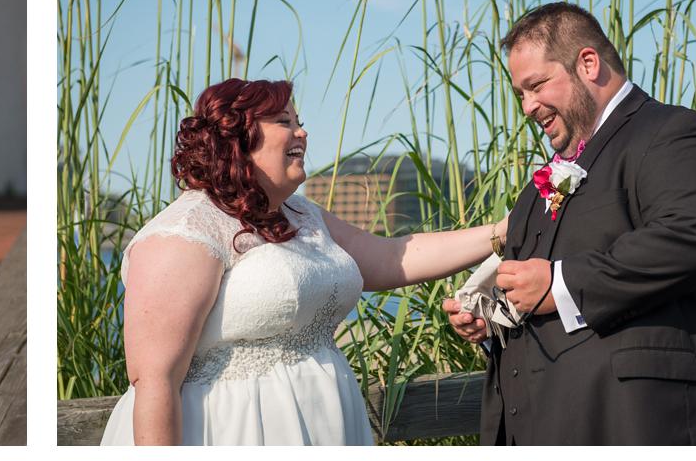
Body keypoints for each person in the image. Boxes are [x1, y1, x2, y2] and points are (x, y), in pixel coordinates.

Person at [102, 79, 505, 445]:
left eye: (299, 120)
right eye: (284, 121)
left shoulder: (301, 214)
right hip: (233, 433)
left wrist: (503, 231)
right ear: (237, 139)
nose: (302, 132)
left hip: (325, 424)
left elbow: (391, 257)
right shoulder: (184, 232)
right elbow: (154, 382)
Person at [440, 3, 696, 445]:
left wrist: (558, 284)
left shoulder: (675, 133)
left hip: (651, 428)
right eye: (520, 94)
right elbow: (540, 298)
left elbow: (689, 237)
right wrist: (494, 321)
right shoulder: (538, 188)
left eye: (536, 86)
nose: (528, 106)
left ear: (588, 63)